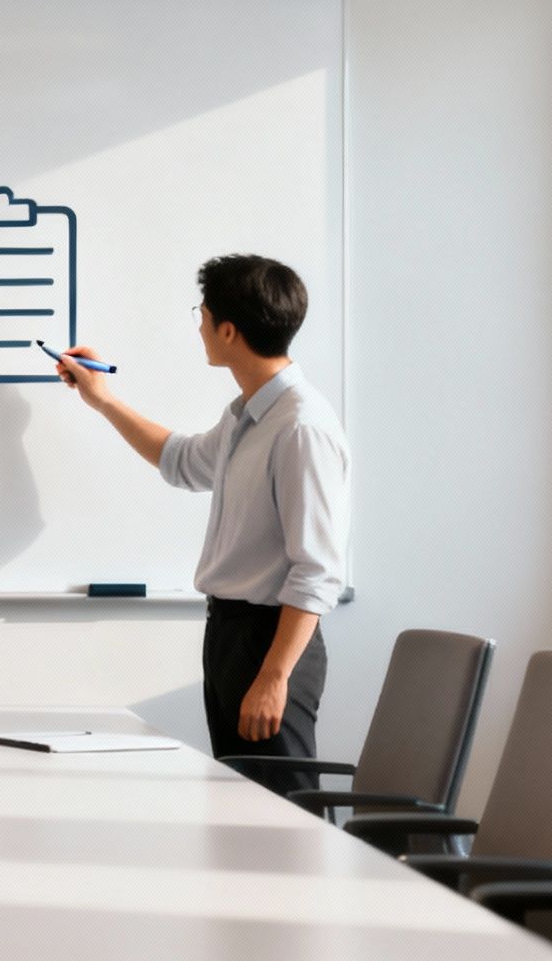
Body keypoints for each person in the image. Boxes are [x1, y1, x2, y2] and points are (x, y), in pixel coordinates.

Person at [57, 254, 349, 793]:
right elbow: (182, 462)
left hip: (270, 643)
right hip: (231, 637)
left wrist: (274, 676)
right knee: (244, 810)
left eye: (203, 313)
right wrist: (102, 400)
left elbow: (319, 570)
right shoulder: (247, 415)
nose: (199, 326)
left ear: (229, 330)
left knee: (284, 817)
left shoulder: (300, 427)